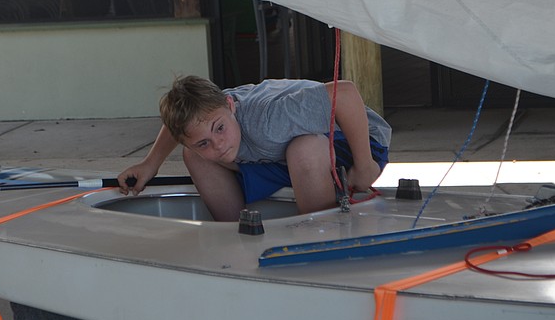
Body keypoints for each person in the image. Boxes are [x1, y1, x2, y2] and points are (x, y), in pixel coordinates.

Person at [118, 76, 391, 222]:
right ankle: (238, 234)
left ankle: (319, 232)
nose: (219, 144)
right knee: (195, 156)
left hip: (356, 141)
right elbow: (180, 127)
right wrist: (150, 164)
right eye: (205, 142)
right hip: (276, 155)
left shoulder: (270, 120)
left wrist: (364, 165)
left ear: (231, 105)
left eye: (220, 129)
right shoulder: (211, 114)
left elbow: (345, 94)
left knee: (304, 149)